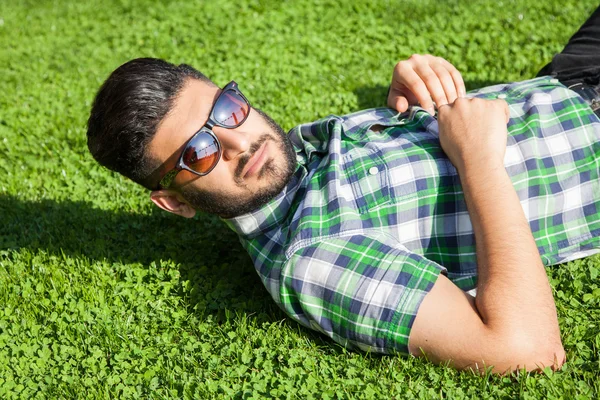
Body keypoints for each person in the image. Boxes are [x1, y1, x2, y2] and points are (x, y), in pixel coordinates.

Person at [86, 7, 600, 374]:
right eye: (199, 153)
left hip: (563, 82)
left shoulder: (288, 156)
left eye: (226, 110)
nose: (240, 142)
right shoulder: (312, 259)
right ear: (175, 201)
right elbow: (526, 350)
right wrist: (479, 161)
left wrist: (410, 100)